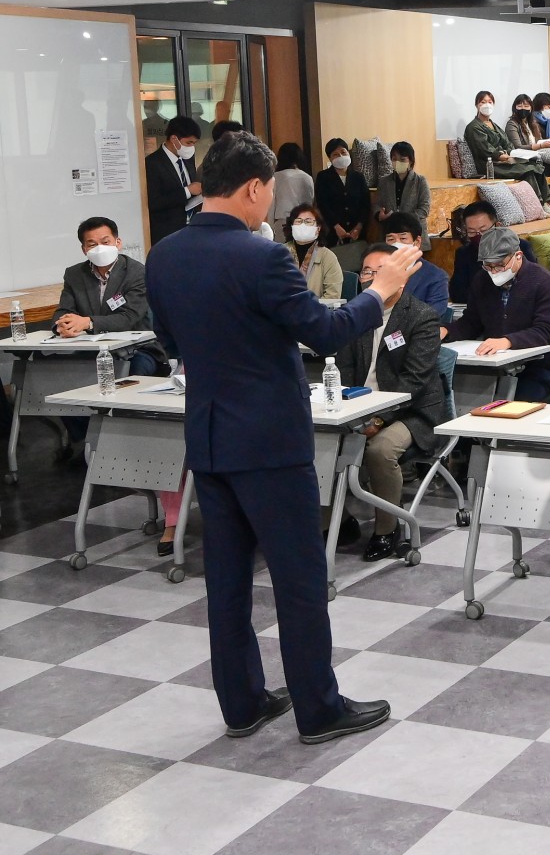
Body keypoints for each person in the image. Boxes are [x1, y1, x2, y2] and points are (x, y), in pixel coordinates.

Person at [145, 131, 418, 745]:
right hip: (270, 441)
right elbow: (325, 331)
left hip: (210, 437)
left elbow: (171, 342)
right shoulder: (262, 257)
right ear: (253, 187)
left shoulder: (164, 254)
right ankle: (319, 710)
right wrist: (380, 292)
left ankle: (241, 704)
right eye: (268, 191)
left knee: (227, 583)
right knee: (298, 580)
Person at [338, 245, 450, 562]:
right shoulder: (354, 315)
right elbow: (344, 370)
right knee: (321, 442)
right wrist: (354, 414)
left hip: (411, 412)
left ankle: (387, 529)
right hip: (359, 407)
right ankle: (336, 522)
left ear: (400, 277)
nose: (371, 278)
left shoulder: (421, 317)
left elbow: (414, 381)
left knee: (380, 449)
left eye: (380, 272)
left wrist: (377, 420)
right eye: (367, 272)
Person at [53, 216, 168, 466]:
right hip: (91, 352)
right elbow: (63, 310)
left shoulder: (136, 271)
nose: (99, 248)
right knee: (61, 385)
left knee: (130, 382)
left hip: (139, 350)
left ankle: (127, 450)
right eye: (92, 244)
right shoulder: (74, 274)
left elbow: (129, 317)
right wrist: (62, 324)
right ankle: (90, 444)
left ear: (118, 242)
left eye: (105, 241)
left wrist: (88, 323)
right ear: (84, 249)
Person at [444, 227, 550, 399]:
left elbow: (545, 331)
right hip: (492, 366)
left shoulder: (543, 281)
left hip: (537, 368)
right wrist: (447, 331)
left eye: (500, 265)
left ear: (518, 256)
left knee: (515, 403)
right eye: (488, 266)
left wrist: (507, 341)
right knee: (458, 397)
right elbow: (471, 322)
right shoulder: (482, 279)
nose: (494, 272)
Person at [451, 199, 536, 302]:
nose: (479, 236)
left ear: (498, 226)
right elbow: (457, 294)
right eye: (472, 232)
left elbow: (533, 285)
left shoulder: (520, 247)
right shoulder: (463, 254)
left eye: (483, 230)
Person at [314, 137, 371, 271]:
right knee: (334, 269)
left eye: (343, 152)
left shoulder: (358, 177)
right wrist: (336, 226)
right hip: (332, 233)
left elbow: (366, 204)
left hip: (357, 234)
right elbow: (323, 204)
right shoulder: (323, 177)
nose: (340, 156)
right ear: (330, 158)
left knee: (358, 268)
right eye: (335, 154)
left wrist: (359, 227)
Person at [145, 114, 203, 245]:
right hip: (167, 232)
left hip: (192, 229)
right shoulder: (152, 163)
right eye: (188, 143)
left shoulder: (188, 159)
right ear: (173, 138)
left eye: (194, 143)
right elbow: (154, 202)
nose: (191, 147)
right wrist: (187, 191)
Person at [380, 213, 449, 318]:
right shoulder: (377, 272)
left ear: (417, 242)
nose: (396, 244)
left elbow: (432, 315)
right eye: (390, 239)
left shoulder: (436, 277)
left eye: (403, 238)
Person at [498, 95, 550, 210]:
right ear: (514, 107)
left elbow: (540, 140)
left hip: (536, 156)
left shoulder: (532, 123)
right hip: (524, 158)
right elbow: (517, 146)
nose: (523, 109)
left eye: (526, 106)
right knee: (534, 168)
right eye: (519, 106)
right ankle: (540, 204)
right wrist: (540, 146)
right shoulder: (512, 124)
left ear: (531, 108)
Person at [372, 141, 433, 243]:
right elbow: (377, 204)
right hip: (390, 235)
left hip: (414, 235)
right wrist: (379, 215)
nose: (398, 162)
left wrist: (402, 220)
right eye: (394, 159)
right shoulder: (384, 181)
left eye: (402, 159)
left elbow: (424, 209)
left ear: (411, 161)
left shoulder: (420, 181)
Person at [284, 203, 343, 300]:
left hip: (315, 309)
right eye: (298, 221)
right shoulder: (280, 253)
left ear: (318, 228)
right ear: (291, 226)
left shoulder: (328, 257)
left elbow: (332, 296)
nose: (303, 225)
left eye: (308, 221)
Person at [269, 142, 315, 244]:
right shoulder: (307, 177)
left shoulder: (276, 177)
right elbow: (310, 202)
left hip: (283, 222)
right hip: (304, 222)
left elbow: (271, 204)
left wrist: (270, 227)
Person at [463, 90, 512, 177]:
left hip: (505, 161)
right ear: (476, 105)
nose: (487, 105)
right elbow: (484, 148)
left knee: (534, 167)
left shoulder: (495, 126)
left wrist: (512, 153)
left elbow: (507, 143)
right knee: (529, 171)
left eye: (490, 102)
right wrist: (499, 155)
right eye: (483, 102)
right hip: (489, 165)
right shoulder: (473, 127)